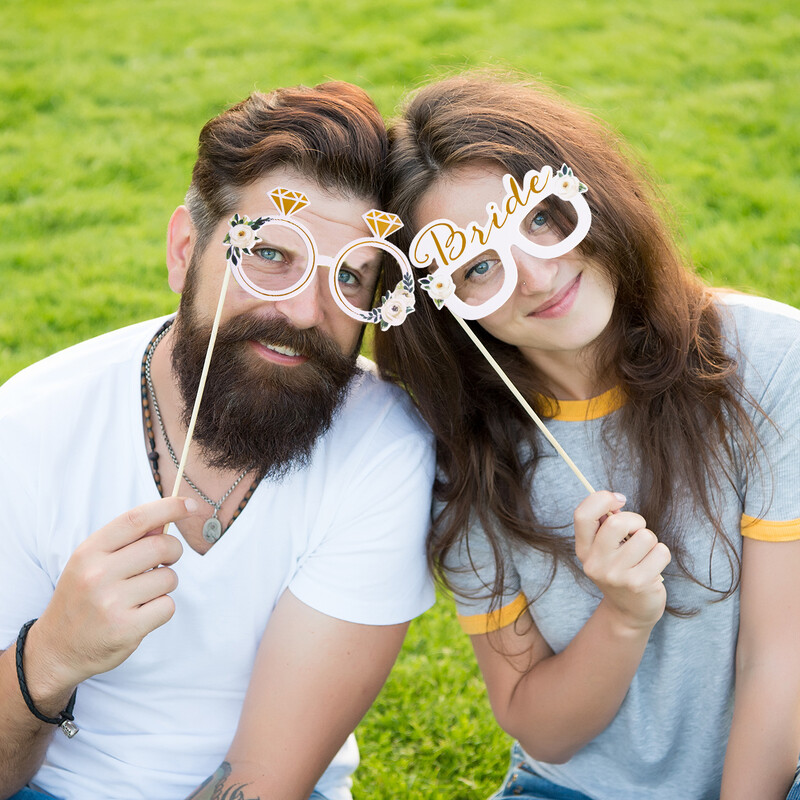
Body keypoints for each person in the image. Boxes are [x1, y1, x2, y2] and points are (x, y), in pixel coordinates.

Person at [0, 81, 435, 800]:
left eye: (349, 277)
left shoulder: (382, 446)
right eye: (269, 254)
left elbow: (265, 779)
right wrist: (51, 655)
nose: (304, 310)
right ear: (184, 251)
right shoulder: (29, 429)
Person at [374, 72, 800, 800]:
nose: (537, 276)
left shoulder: (767, 358)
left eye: (540, 218)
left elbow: (780, 656)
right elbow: (542, 730)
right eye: (479, 265)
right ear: (444, 305)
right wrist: (624, 617)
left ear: (589, 193)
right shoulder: (462, 453)